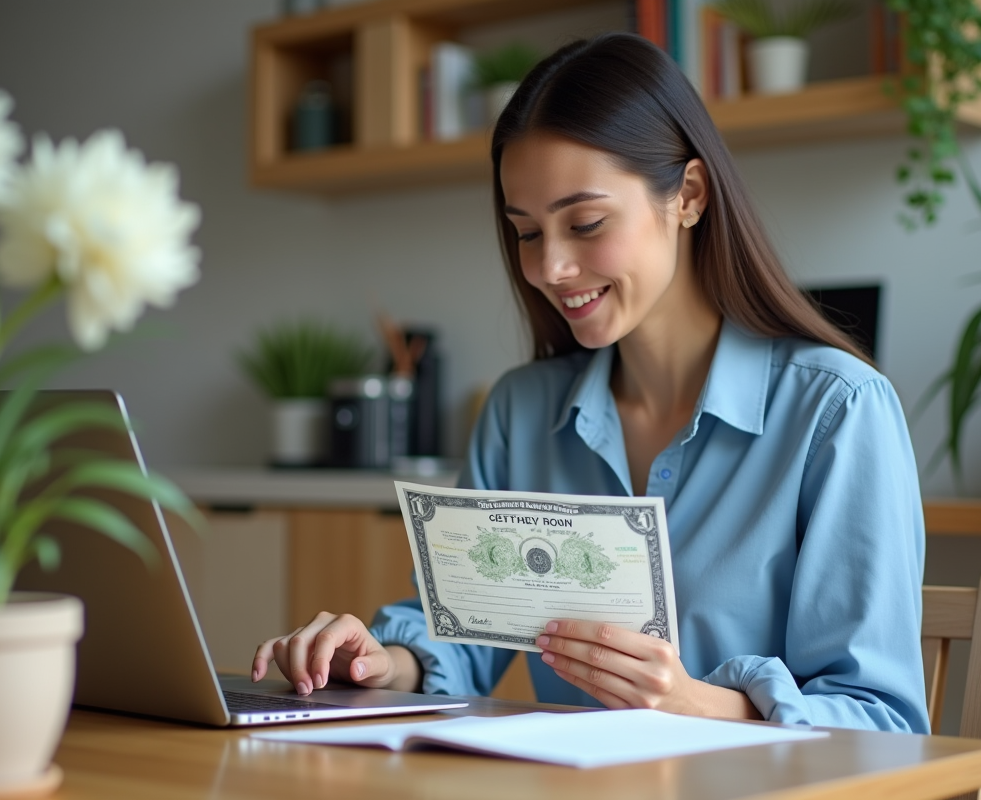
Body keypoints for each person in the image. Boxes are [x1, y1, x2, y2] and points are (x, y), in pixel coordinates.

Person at [252, 32, 929, 734]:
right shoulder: (520, 412)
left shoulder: (837, 412)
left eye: (586, 223)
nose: (550, 269)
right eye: (526, 232)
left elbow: (881, 724)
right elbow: (462, 637)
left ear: (688, 195)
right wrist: (378, 663)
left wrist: (690, 702)